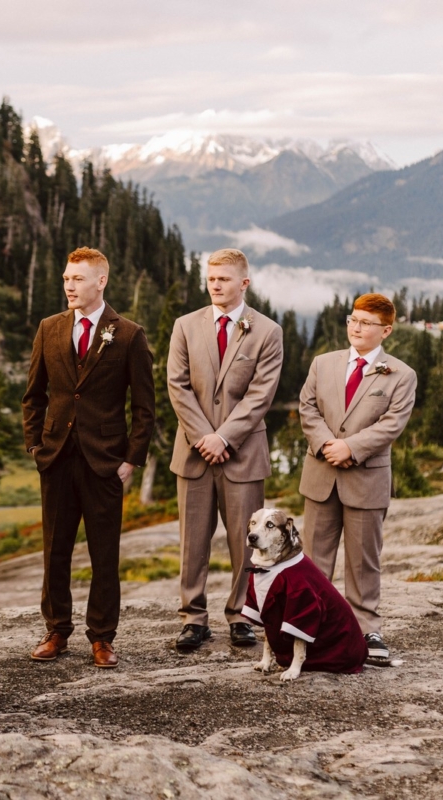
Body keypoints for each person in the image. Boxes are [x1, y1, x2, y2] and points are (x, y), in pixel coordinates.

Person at [21, 247, 155, 668]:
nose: (69, 286)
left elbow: (145, 408)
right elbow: (33, 395)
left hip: (105, 462)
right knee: (55, 551)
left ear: (101, 281)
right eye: (66, 278)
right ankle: (57, 630)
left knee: (104, 555)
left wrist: (130, 460)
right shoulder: (49, 328)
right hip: (56, 457)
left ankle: (102, 637)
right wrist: (35, 446)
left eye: (77, 279)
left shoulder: (129, 335)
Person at [166, 248, 283, 653]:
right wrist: (205, 436)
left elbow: (261, 394)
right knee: (192, 542)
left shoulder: (267, 331)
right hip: (194, 453)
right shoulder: (185, 326)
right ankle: (193, 619)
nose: (215, 285)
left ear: (244, 283)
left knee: (247, 541)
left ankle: (241, 616)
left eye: (223, 279)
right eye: (211, 278)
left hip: (243, 454)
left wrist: (225, 437)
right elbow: (177, 385)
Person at [298, 293, 417, 663]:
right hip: (321, 473)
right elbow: (307, 408)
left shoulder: (401, 374)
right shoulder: (323, 363)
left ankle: (366, 630)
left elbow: (392, 424)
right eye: (353, 319)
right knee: (313, 559)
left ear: (386, 330)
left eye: (366, 323)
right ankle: (311, 628)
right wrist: (326, 444)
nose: (356, 327)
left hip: (366, 478)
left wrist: (350, 447)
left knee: (364, 560)